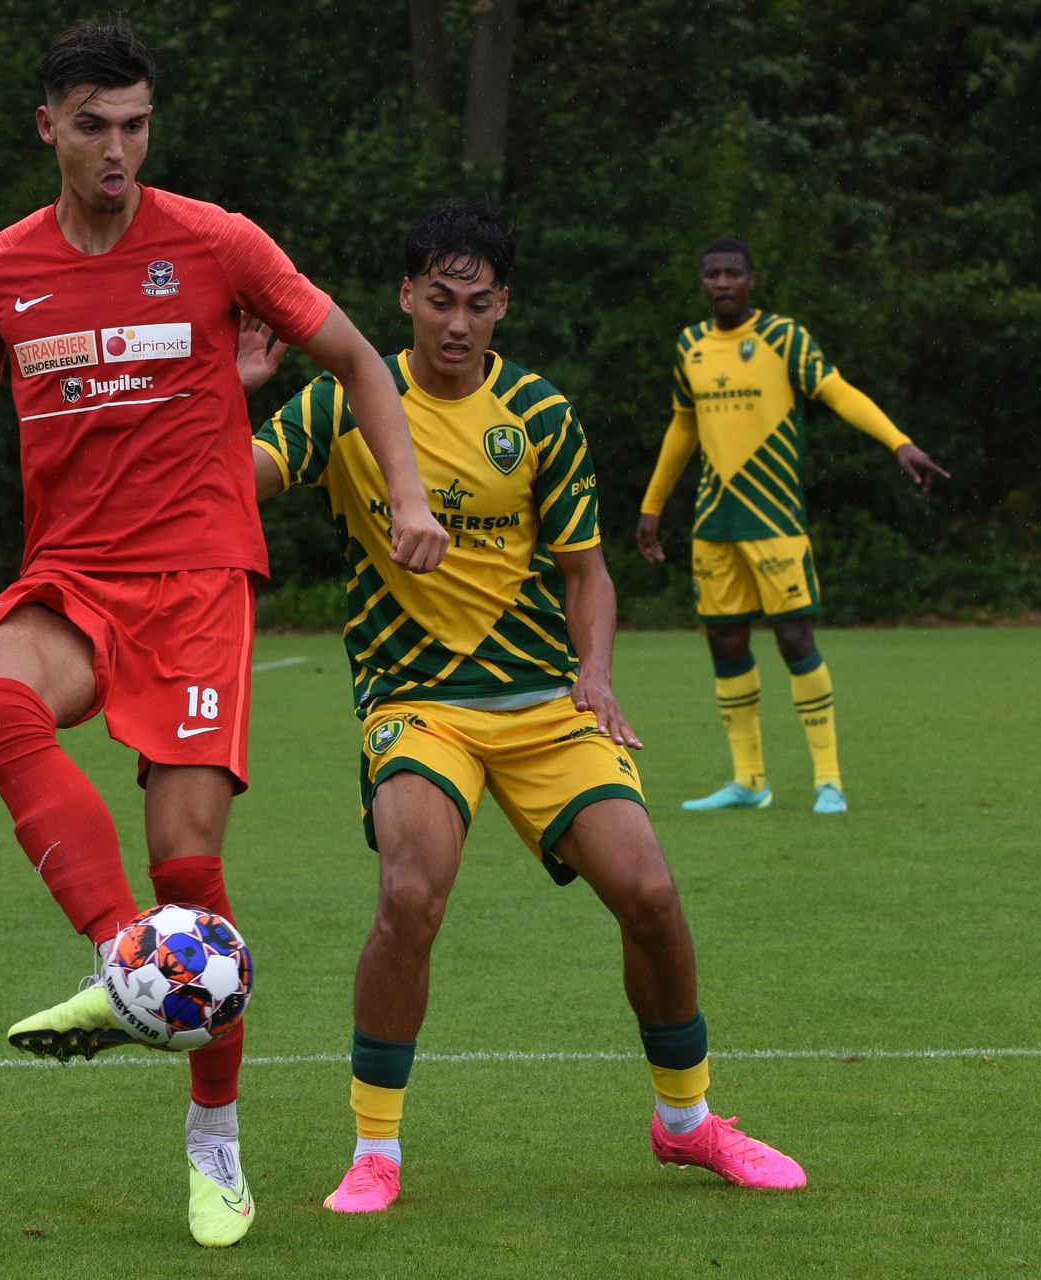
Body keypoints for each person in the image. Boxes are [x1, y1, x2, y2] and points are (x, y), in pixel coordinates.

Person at [0, 19, 446, 1248]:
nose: (117, 149)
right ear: (48, 126)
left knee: (192, 874)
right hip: (76, 576)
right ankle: (125, 957)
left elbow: (359, 358)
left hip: (198, 582)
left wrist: (408, 497)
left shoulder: (216, 241)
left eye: (135, 125)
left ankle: (216, 1146)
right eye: (92, 125)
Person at [242, 200, 807, 1214]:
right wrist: (224, 395)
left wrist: (595, 669)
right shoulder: (341, 404)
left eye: (480, 303)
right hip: (417, 703)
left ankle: (686, 1123)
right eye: (441, 300)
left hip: (547, 700)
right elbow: (230, 484)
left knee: (650, 892)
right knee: (411, 891)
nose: (458, 323)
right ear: (406, 297)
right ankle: (377, 1148)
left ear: (504, 307)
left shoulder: (540, 414)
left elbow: (588, 571)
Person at [635, 239, 947, 815]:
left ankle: (829, 781)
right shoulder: (690, 345)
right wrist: (652, 507)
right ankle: (749, 780)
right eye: (712, 274)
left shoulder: (784, 338)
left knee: (794, 640)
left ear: (752, 280)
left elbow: (837, 392)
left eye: (733, 273)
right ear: (702, 283)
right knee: (725, 644)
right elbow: (683, 428)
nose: (722, 282)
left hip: (776, 520)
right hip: (714, 523)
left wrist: (897, 442)